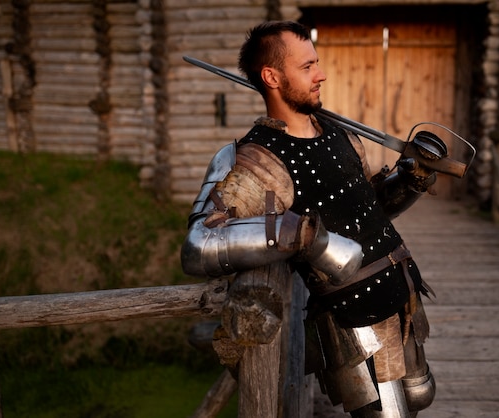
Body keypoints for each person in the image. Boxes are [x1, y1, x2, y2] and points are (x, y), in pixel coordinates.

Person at [182, 20, 438, 417]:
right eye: (306, 67)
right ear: (271, 76)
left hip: (400, 290)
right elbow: (200, 244)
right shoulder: (257, 162)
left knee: (420, 397)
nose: (320, 74)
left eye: (316, 63)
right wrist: (303, 236)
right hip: (354, 318)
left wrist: (410, 178)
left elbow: (368, 210)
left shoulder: (337, 132)